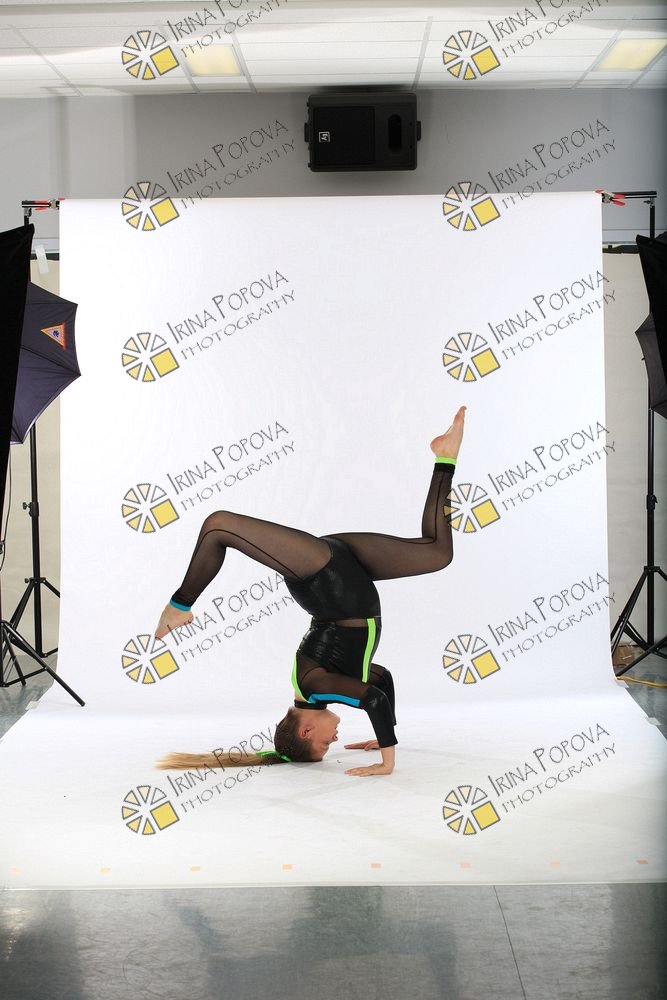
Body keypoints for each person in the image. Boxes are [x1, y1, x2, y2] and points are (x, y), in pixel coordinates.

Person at [156, 407, 465, 778]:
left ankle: (179, 606)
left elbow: (373, 699)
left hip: (326, 578)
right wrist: (384, 734)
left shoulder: (315, 686)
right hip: (346, 576)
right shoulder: (326, 688)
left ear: (305, 731)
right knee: (437, 553)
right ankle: (445, 456)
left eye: (324, 744)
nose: (334, 740)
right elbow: (380, 681)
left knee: (220, 526)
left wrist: (388, 760)